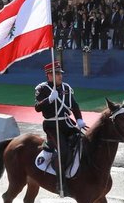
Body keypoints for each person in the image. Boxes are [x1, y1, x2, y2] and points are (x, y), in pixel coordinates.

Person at [34, 61, 86, 195]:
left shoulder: (66, 87)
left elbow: (74, 105)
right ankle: (60, 183)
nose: (60, 76)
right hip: (52, 125)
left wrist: (79, 119)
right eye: (56, 73)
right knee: (62, 150)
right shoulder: (42, 88)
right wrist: (49, 99)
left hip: (67, 123)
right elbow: (37, 108)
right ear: (49, 75)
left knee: (85, 141)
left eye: (60, 73)